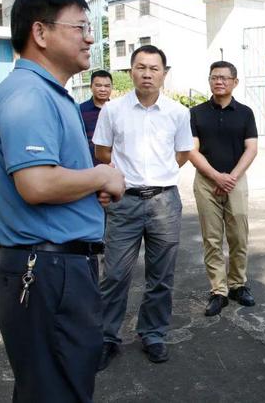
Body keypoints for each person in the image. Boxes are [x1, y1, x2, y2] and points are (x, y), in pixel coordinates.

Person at [0, 0, 125, 403]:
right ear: (40, 33)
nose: (90, 38)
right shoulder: (29, 95)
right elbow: (37, 184)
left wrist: (86, 190)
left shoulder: (49, 93)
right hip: (46, 269)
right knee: (57, 390)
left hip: (56, 266)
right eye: (80, 27)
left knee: (52, 387)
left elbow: (53, 178)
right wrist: (100, 176)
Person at [93, 45, 194, 369]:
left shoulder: (178, 112)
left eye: (154, 68)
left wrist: (159, 175)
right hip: (124, 202)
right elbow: (102, 151)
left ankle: (153, 333)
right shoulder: (113, 110)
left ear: (164, 73)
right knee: (115, 274)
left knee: (161, 276)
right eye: (140, 67)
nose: (147, 74)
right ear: (130, 71)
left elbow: (182, 154)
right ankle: (107, 337)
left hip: (165, 201)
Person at [189, 61, 258, 317]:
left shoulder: (245, 113)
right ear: (209, 80)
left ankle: (238, 284)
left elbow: (251, 148)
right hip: (206, 182)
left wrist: (231, 177)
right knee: (212, 238)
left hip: (236, 180)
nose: (219, 81)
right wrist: (216, 177)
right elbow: (191, 150)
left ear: (234, 82)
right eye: (214, 77)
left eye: (224, 78)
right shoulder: (196, 113)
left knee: (239, 234)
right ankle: (218, 290)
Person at [80, 70, 113, 166]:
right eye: (98, 85)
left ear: (112, 87)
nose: (103, 89)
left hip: (112, 166)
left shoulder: (117, 110)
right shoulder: (80, 110)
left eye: (107, 86)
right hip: (88, 165)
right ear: (91, 87)